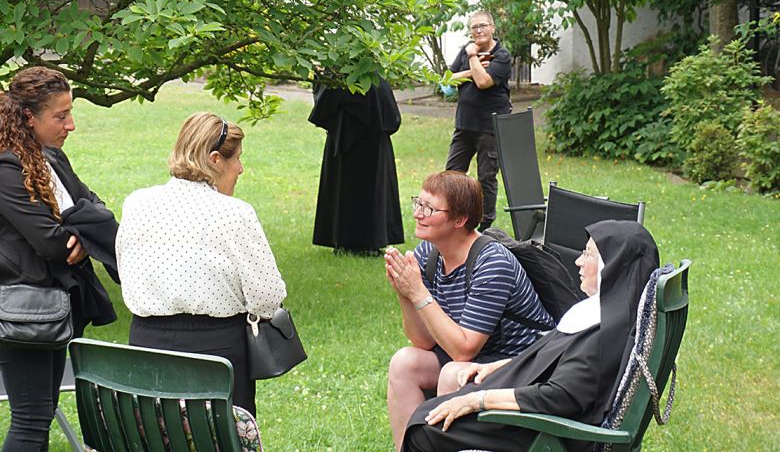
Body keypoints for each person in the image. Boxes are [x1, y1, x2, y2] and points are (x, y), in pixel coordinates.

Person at [400, 220, 660, 452]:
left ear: (611, 267)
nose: (578, 262)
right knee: (429, 416)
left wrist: (477, 400)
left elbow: (559, 397)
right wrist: (500, 366)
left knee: (423, 432)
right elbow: (557, 357)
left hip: (547, 432)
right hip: (537, 415)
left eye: (588, 255)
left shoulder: (603, 337)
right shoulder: (606, 316)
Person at [115, 112, 287, 417]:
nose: (241, 168)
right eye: (237, 159)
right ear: (215, 160)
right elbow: (268, 297)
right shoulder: (234, 213)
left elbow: (125, 269)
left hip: (145, 351)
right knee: (221, 435)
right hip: (217, 355)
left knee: (158, 433)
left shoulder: (136, 203)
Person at [385, 171, 553, 450]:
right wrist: (405, 293)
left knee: (453, 373)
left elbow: (464, 351)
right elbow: (422, 341)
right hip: (477, 356)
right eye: (418, 203)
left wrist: (418, 292)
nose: (417, 213)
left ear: (460, 220)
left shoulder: (492, 263)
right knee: (405, 362)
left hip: (519, 364)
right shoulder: (429, 252)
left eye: (429, 208)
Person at [0, 66, 118, 451]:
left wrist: (78, 230)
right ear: (28, 117)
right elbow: (52, 244)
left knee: (41, 415)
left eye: (70, 113)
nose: (71, 125)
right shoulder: (6, 168)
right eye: (61, 116)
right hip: (24, 310)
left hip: (54, 305)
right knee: (31, 420)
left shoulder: (50, 158)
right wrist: (82, 231)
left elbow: (96, 207)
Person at [309, 78, 404, 256]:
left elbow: (325, 102)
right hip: (360, 133)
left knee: (346, 184)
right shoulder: (364, 74)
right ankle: (365, 242)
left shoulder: (338, 74)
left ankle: (344, 240)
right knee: (366, 184)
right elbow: (389, 116)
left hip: (351, 133)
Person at [445, 10, 512, 232]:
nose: (479, 30)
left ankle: (485, 226)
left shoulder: (502, 55)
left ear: (492, 28)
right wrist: (469, 70)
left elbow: (484, 82)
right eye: (474, 27)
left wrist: (473, 56)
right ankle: (454, 217)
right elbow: (447, 79)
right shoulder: (465, 50)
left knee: (486, 177)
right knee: (452, 174)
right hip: (464, 124)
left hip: (490, 127)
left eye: (483, 25)